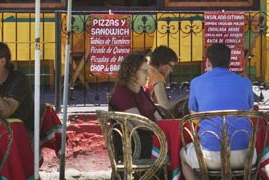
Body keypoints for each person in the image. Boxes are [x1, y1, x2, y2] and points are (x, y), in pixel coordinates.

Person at [180, 43, 255, 180]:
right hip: (244, 156)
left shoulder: (196, 83)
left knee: (182, 155)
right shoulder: (245, 83)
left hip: (210, 156)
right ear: (230, 62)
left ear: (207, 61)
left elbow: (194, 116)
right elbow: (249, 112)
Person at [109, 51, 162, 159]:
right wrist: (163, 129)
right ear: (132, 72)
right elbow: (140, 123)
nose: (148, 74)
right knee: (178, 146)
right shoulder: (122, 94)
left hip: (154, 136)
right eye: (145, 71)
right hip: (136, 145)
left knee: (180, 142)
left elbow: (156, 114)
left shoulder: (142, 91)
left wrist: (165, 127)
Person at [146, 45, 181, 111]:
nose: (171, 70)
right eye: (170, 66)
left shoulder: (146, 70)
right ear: (161, 62)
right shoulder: (158, 77)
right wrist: (183, 100)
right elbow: (165, 106)